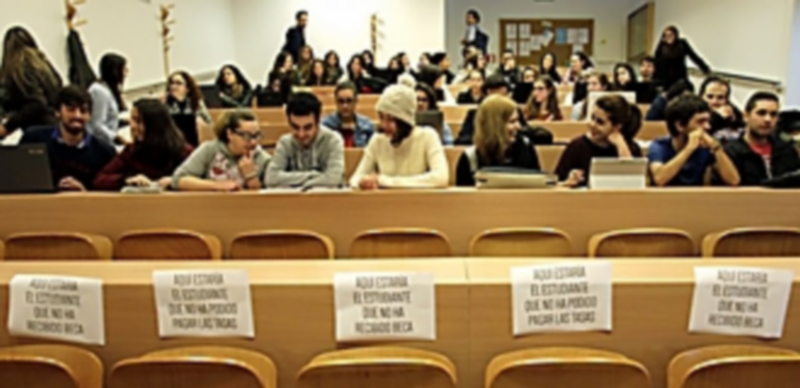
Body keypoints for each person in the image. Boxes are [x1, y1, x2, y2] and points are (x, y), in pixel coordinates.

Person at [349, 75, 448, 189]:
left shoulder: (428, 136)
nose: (384, 125)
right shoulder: (377, 140)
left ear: (405, 121)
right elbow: (355, 179)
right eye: (381, 117)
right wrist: (362, 182)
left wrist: (385, 181)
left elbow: (441, 178)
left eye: (391, 119)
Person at [20, 86, 115, 191]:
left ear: (90, 115)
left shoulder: (104, 153)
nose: (77, 115)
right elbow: (18, 180)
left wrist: (84, 192)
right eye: (71, 110)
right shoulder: (34, 139)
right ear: (57, 112)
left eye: (83, 111)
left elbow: (110, 195)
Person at [94, 99, 193, 191]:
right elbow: (100, 179)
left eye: (138, 121)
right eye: (132, 120)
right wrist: (126, 180)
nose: (132, 126)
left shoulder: (183, 152)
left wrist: (176, 182)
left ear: (154, 125)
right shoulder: (131, 151)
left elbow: (198, 178)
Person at [648, 94, 739, 187]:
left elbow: (733, 181)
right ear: (680, 126)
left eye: (708, 121)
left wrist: (716, 148)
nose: (708, 126)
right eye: (701, 121)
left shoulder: (705, 148)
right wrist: (689, 148)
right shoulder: (660, 146)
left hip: (695, 195)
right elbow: (660, 179)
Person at [555, 95, 643, 188]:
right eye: (592, 118)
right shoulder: (577, 146)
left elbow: (635, 184)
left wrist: (621, 147)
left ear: (617, 127)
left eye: (600, 122)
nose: (592, 124)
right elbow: (556, 185)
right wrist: (568, 182)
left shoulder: (630, 148)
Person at [172, 110, 271, 191]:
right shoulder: (209, 150)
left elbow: (270, 193)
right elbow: (178, 180)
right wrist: (216, 185)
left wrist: (251, 176)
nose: (253, 142)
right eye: (247, 136)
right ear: (230, 134)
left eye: (256, 136)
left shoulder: (261, 157)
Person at [455, 95, 540, 186]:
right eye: (512, 122)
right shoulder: (471, 158)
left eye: (517, 121)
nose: (518, 126)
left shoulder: (526, 148)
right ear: (495, 126)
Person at [266, 93, 344, 189]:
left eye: (307, 128)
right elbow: (271, 178)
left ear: (318, 122)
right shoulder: (285, 142)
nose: (301, 134)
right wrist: (313, 175)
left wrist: (295, 183)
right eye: (295, 127)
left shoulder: (333, 140)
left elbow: (333, 180)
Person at [722, 92, 800, 186]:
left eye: (773, 114)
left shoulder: (787, 150)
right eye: (761, 113)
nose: (768, 119)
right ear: (746, 116)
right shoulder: (730, 152)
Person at [0, 26, 63, 138]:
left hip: (38, 131)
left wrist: (7, 127)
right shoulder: (43, 62)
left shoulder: (16, 67)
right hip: (57, 128)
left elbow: (36, 103)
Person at [456, 74, 553, 146]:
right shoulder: (474, 114)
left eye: (504, 95)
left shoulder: (515, 112)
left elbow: (541, 136)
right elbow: (461, 140)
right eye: (496, 95)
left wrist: (512, 132)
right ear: (487, 94)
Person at [654, 26, 711, 90]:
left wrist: (705, 68)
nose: (668, 37)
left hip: (680, 77)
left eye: (670, 35)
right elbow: (656, 62)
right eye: (666, 35)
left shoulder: (682, 44)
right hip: (666, 79)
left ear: (675, 35)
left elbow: (693, 56)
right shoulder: (662, 46)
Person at [88, 53, 127, 145]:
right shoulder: (99, 92)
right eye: (124, 70)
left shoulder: (108, 89)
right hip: (101, 144)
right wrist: (116, 137)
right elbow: (97, 126)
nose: (126, 74)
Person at [164, 71, 212, 146]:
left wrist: (201, 124)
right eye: (172, 83)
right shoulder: (165, 103)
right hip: (172, 144)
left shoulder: (196, 102)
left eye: (178, 83)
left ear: (187, 88)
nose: (173, 86)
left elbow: (209, 122)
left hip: (193, 143)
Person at [321, 81, 375, 147]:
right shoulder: (325, 125)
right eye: (341, 101)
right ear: (336, 102)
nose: (345, 106)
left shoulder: (367, 125)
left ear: (356, 101)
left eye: (349, 101)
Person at [699, 76, 744, 142]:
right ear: (701, 97)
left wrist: (735, 121)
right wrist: (717, 117)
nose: (714, 102)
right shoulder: (693, 113)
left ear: (727, 100)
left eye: (720, 98)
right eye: (710, 97)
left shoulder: (735, 115)